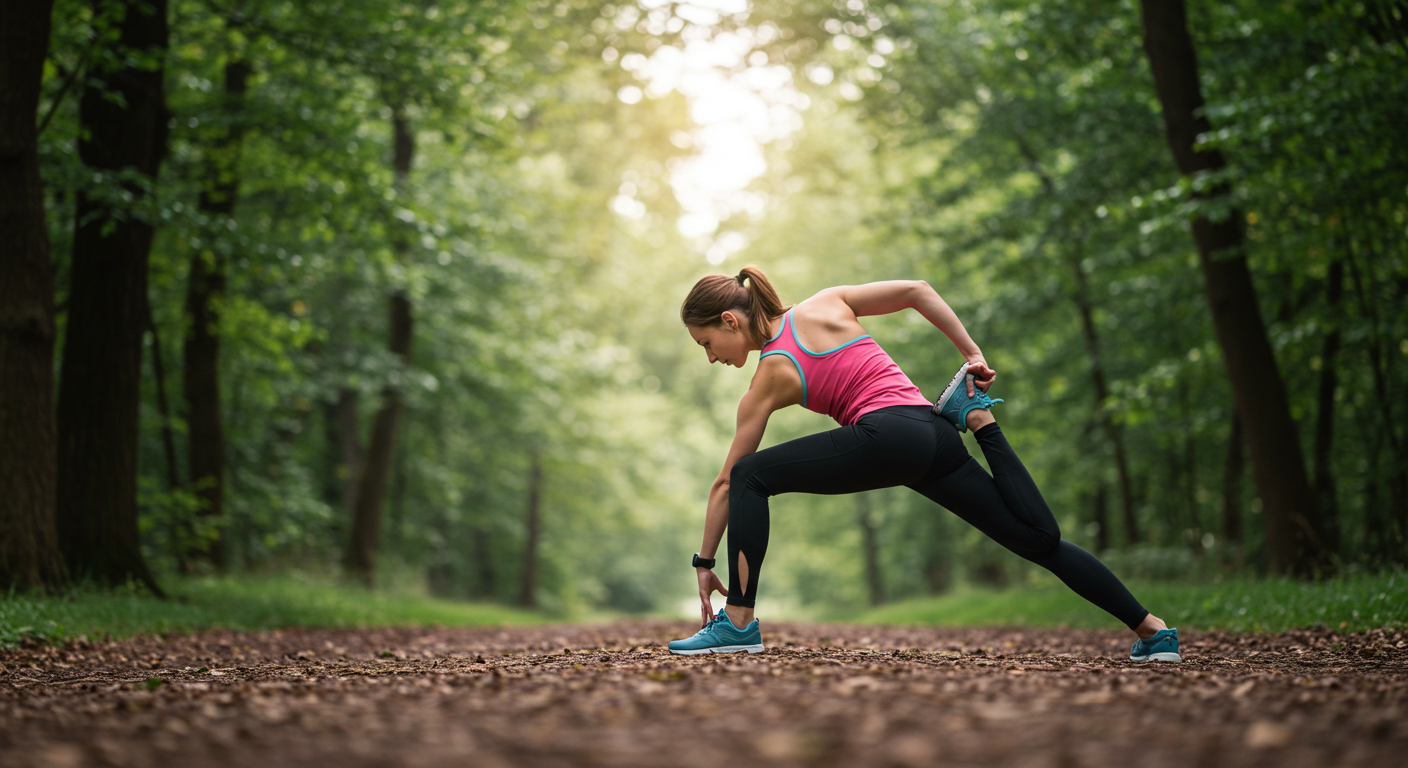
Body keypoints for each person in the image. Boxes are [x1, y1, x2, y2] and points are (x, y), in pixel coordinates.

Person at [667, 267, 1181, 663]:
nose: (711, 357)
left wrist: (706, 563)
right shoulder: (828, 302)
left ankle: (738, 623)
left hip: (887, 436)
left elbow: (727, 482)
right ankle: (1153, 632)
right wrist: (973, 352)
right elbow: (917, 289)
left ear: (729, 321)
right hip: (932, 435)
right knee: (1036, 539)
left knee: (752, 474)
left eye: (707, 344)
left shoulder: (772, 372)